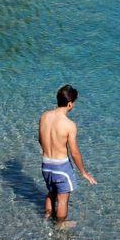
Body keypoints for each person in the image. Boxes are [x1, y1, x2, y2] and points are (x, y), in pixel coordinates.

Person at [39, 84, 96, 225]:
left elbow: (40, 139)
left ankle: (46, 218)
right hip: (61, 167)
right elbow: (74, 152)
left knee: (51, 193)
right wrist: (83, 172)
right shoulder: (69, 124)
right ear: (70, 104)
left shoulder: (45, 116)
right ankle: (60, 226)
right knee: (63, 200)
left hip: (46, 164)